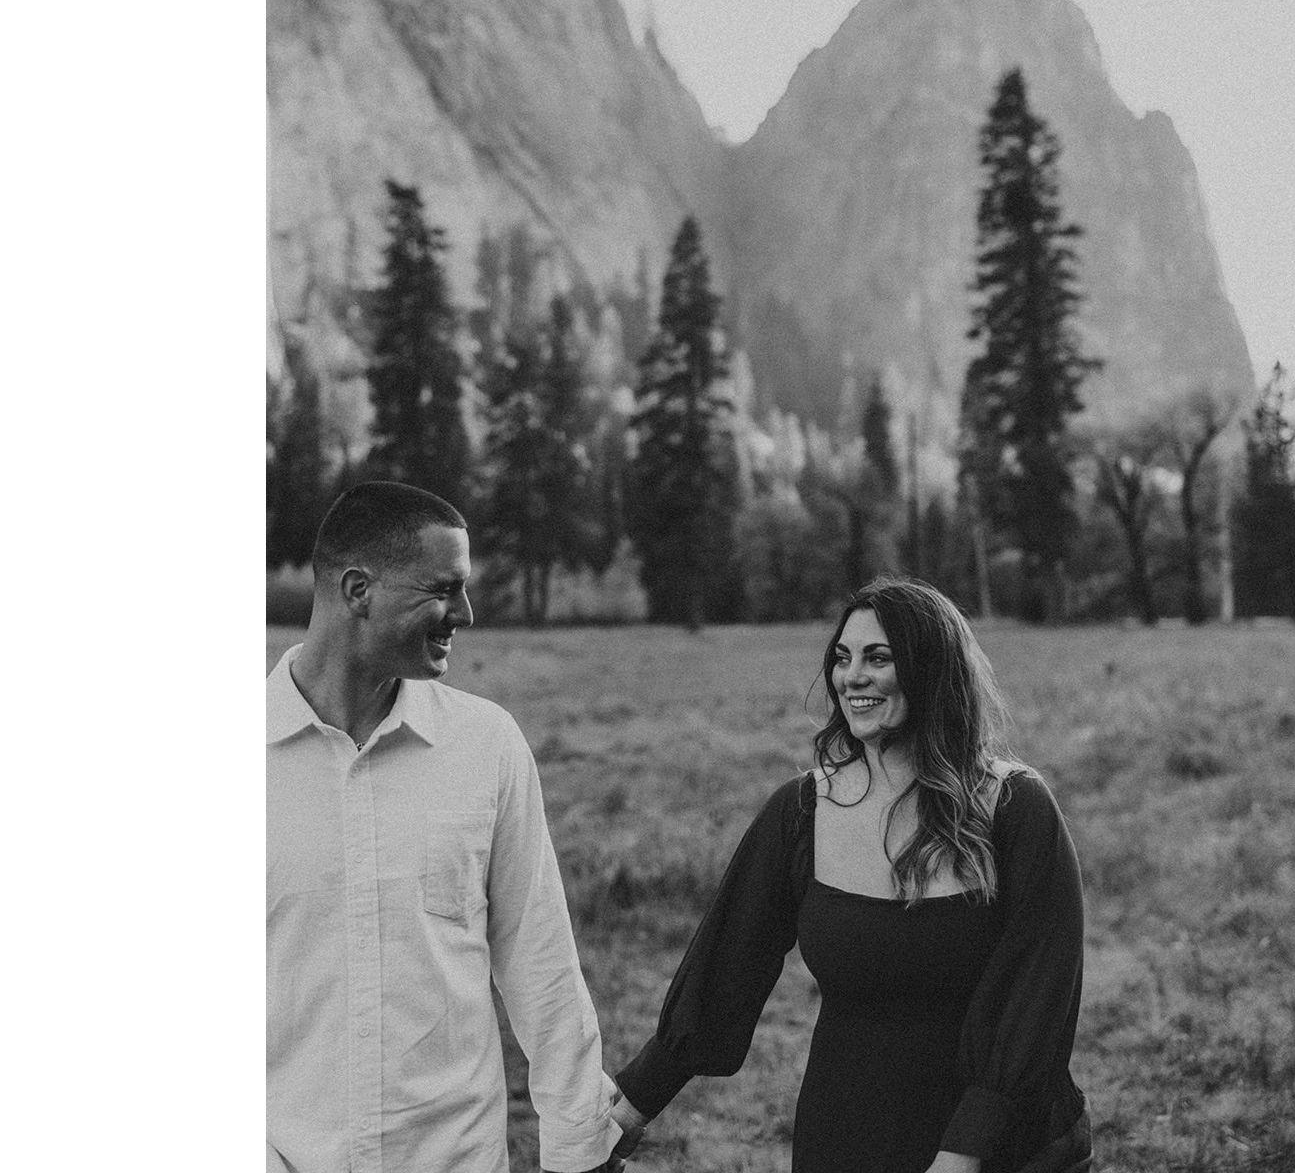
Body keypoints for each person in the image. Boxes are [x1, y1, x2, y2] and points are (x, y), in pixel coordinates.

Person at [610, 576, 1092, 1173]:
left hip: (1003, 1142)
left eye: (878, 658)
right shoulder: (802, 813)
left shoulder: (1014, 809)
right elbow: (726, 967)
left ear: (931, 670)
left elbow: (1039, 995)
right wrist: (629, 1109)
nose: (852, 677)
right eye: (842, 658)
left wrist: (966, 1150)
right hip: (847, 1129)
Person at [266, 481, 624, 1173]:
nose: (465, 613)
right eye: (443, 589)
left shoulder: (486, 745)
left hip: (455, 1157)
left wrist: (579, 1148)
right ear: (358, 591)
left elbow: (540, 960)